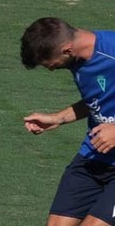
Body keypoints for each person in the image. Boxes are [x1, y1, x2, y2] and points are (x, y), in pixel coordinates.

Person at [21, 17, 115, 226]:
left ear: (66, 50)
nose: (51, 69)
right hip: (93, 156)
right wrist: (58, 118)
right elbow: (98, 98)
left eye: (50, 64)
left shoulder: (111, 51)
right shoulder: (77, 60)